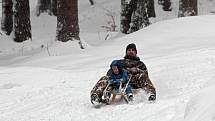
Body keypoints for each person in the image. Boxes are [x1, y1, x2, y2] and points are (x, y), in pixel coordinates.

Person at [90, 43, 156, 104]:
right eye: (129, 50)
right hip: (118, 81)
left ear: (136, 52)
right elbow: (111, 70)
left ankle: (151, 94)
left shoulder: (140, 64)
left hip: (133, 81)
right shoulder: (120, 62)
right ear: (126, 52)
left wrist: (137, 70)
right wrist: (114, 76)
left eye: (133, 50)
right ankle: (96, 96)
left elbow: (145, 75)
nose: (131, 51)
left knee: (142, 75)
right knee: (105, 78)